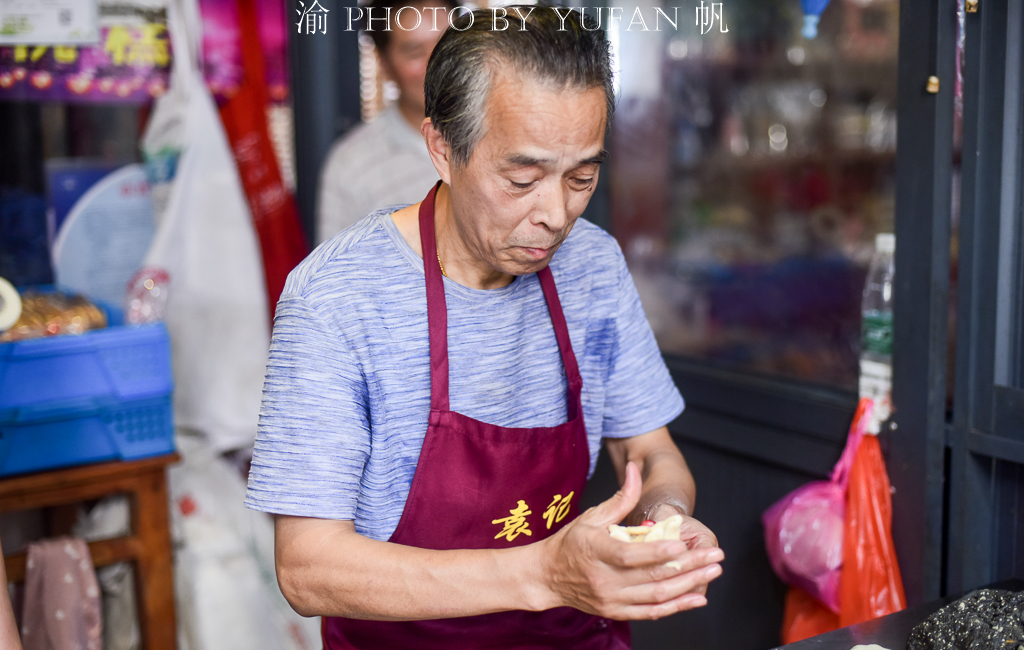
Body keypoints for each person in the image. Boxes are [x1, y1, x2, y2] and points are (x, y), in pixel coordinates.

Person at [245, 6, 723, 648]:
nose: (555, 215)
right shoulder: (336, 297)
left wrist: (666, 519)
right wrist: (544, 574)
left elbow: (649, 451)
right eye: (521, 178)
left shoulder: (593, 264)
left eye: (582, 177)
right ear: (442, 148)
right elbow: (307, 567)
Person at [315, 0, 455, 244]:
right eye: (415, 53)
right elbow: (337, 277)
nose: (438, 64)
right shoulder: (352, 166)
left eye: (447, 44)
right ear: (384, 64)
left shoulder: (507, 133)